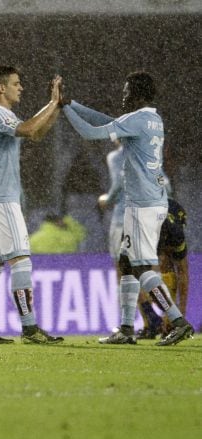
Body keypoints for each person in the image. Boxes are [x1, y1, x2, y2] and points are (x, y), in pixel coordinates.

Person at [62, 71, 194, 346]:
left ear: (138, 94)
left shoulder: (137, 119)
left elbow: (90, 132)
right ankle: (126, 328)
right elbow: (109, 122)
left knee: (142, 267)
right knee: (126, 261)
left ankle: (178, 321)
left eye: (126, 92)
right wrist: (71, 103)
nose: (123, 96)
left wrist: (64, 110)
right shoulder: (152, 119)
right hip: (152, 200)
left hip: (142, 205)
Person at [0, 65, 64, 345]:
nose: (20, 87)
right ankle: (30, 328)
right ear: (1, 88)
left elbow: (35, 133)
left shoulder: (3, 115)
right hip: (2, 201)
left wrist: (56, 106)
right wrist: (51, 102)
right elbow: (29, 128)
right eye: (16, 83)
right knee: (21, 262)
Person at [135, 198, 188, 339]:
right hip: (142, 225)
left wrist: (181, 312)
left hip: (171, 217)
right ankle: (154, 320)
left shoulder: (176, 235)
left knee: (168, 269)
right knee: (137, 273)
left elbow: (183, 275)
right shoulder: (143, 232)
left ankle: (171, 319)